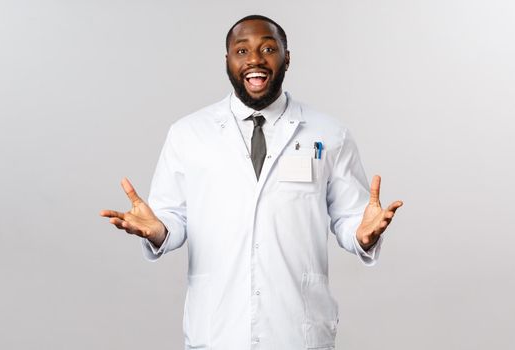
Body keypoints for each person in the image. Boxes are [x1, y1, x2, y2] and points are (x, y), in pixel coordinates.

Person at [100, 14, 403, 350]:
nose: (255, 60)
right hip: (217, 328)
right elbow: (171, 217)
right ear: (228, 61)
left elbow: (350, 218)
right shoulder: (188, 134)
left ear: (287, 58)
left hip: (296, 329)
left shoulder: (329, 134)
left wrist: (362, 233)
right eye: (241, 51)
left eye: (268, 48)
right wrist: (157, 230)